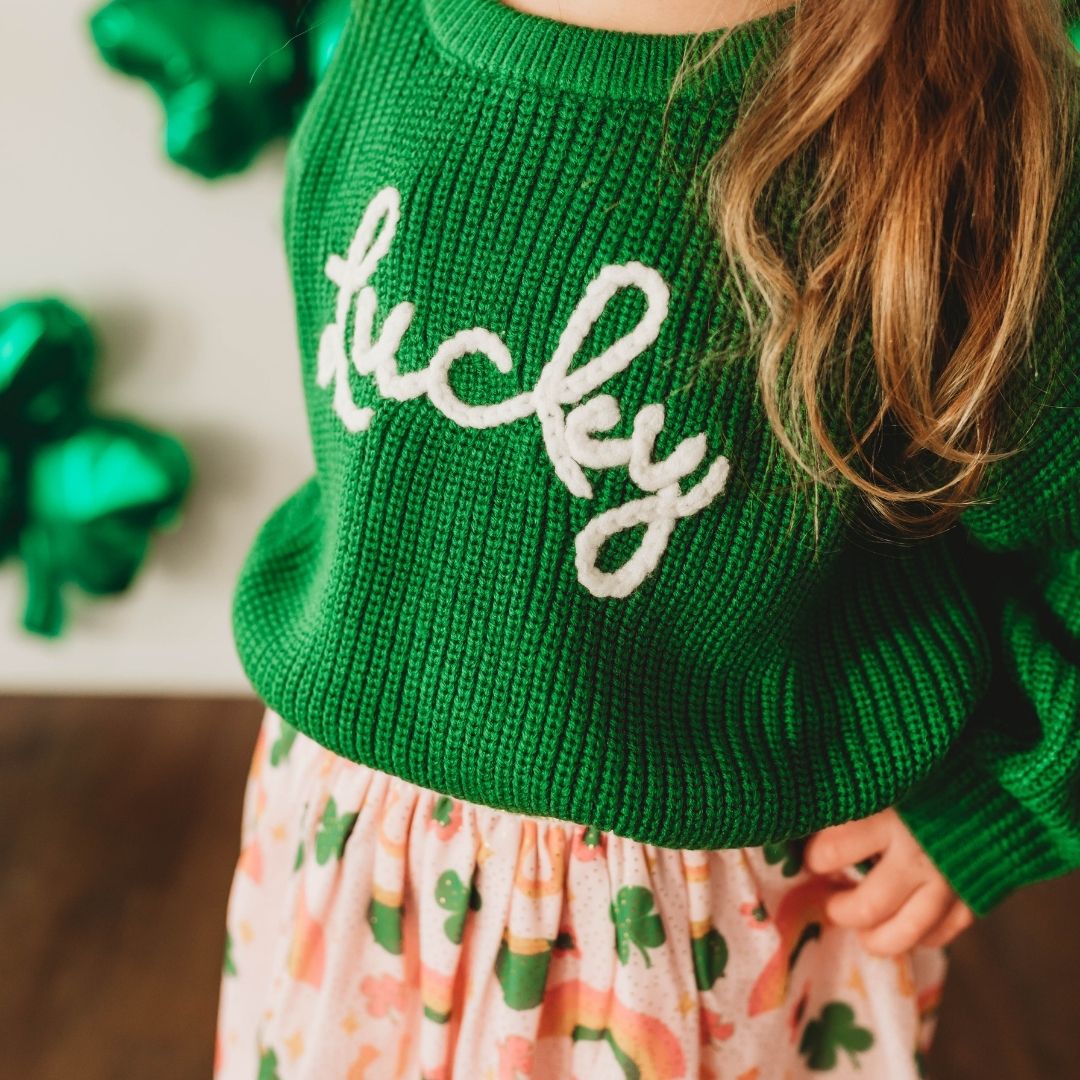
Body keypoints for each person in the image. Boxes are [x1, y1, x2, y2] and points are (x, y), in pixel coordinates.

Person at [214, 0, 1080, 1076]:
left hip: (695, 926)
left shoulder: (962, 121)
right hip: (355, 842)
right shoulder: (394, 28)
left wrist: (1011, 797)